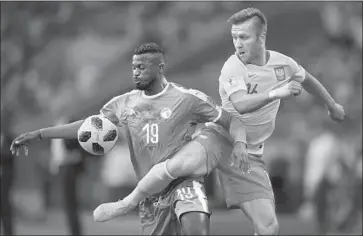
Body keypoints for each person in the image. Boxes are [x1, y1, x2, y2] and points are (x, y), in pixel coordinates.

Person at [94, 8, 345, 235]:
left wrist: (331, 104)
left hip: (249, 152)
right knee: (183, 163)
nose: (237, 43)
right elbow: (241, 105)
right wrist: (277, 93)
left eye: (243, 37)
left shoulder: (283, 64)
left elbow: (307, 78)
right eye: (234, 37)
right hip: (220, 137)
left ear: (261, 36)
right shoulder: (232, 68)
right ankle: (126, 203)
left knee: (269, 228)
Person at [10, 42, 248, 235]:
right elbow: (86, 127)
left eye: (142, 67)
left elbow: (232, 121)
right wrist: (40, 134)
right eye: (134, 67)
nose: (136, 72)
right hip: (150, 196)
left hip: (183, 183)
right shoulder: (123, 103)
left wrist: (239, 145)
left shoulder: (187, 99)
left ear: (160, 67)